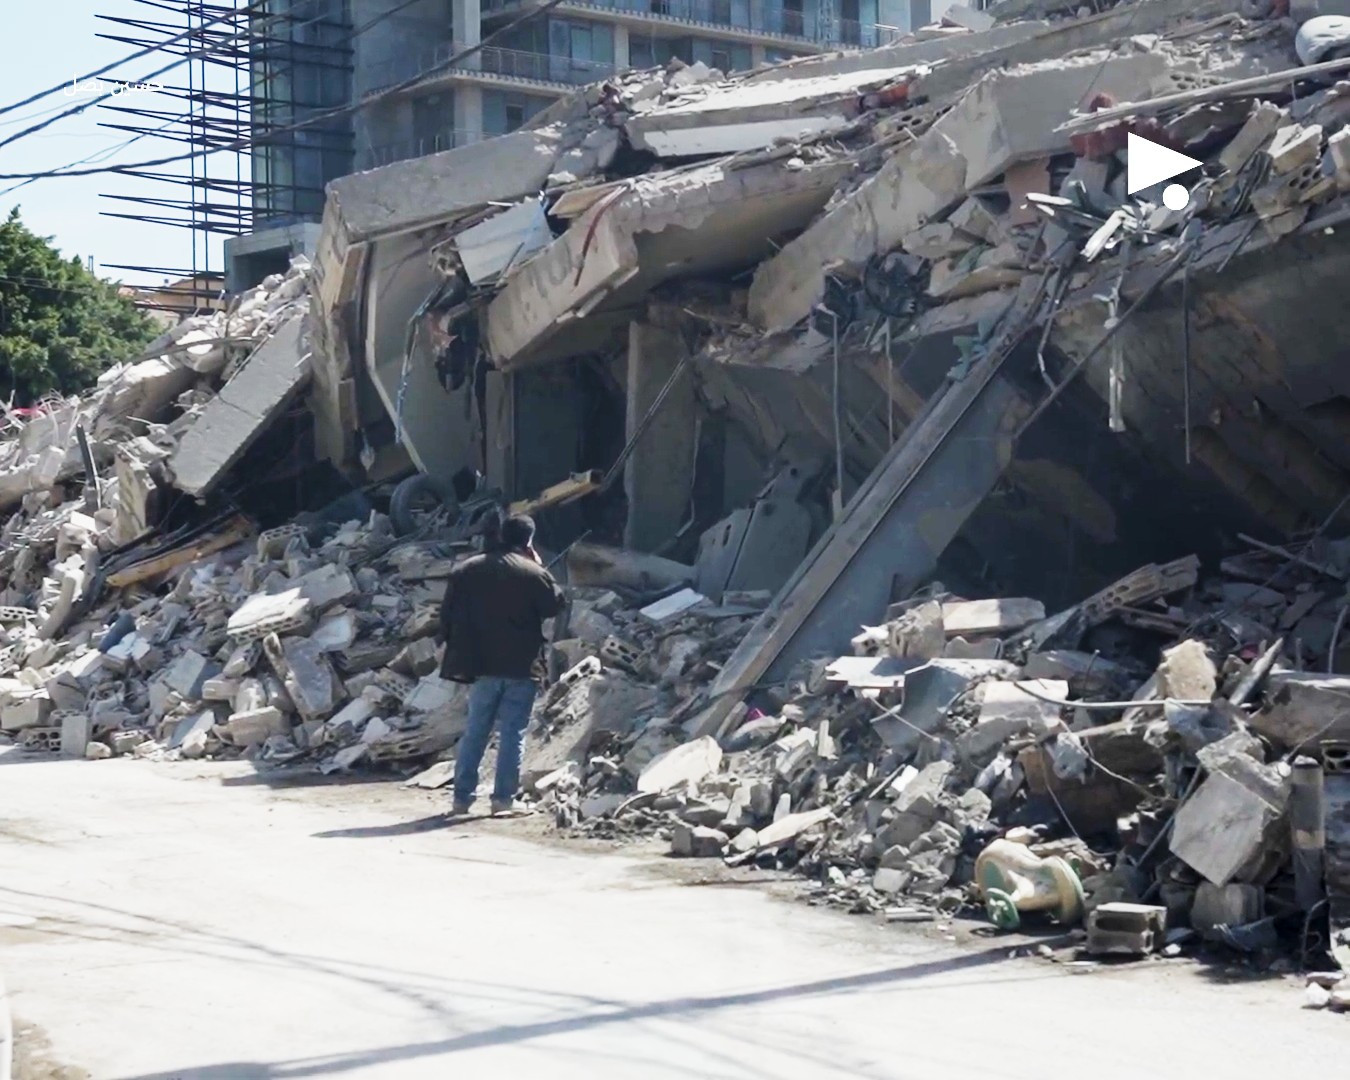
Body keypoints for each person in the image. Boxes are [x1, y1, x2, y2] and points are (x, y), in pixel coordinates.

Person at [439, 513, 565, 816]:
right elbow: (555, 605)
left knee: (476, 730)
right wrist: (538, 566)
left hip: (479, 664)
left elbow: (446, 616)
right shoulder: (532, 572)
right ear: (528, 540)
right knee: (513, 733)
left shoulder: (466, 569)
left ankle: (461, 798)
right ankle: (503, 800)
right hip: (522, 665)